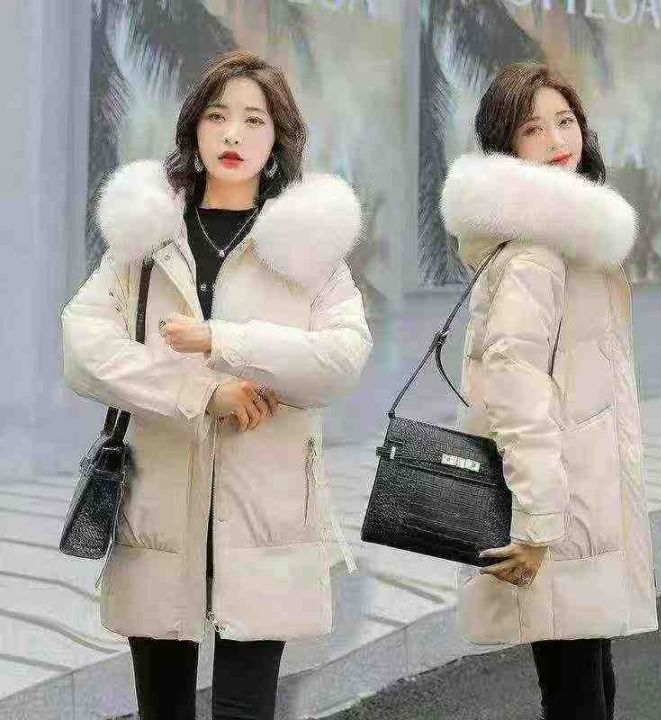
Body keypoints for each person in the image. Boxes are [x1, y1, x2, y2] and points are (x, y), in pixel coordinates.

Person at [61, 50, 372, 720]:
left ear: (278, 138)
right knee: (162, 707)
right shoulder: (148, 241)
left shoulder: (306, 247)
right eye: (217, 116)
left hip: (266, 510)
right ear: (194, 130)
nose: (233, 134)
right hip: (159, 505)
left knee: (245, 709)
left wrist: (226, 343)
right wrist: (201, 391)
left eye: (254, 120)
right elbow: (84, 348)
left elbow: (343, 359)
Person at [440, 61, 659, 720]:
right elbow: (513, 388)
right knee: (577, 693)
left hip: (581, 502)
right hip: (558, 507)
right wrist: (537, 522)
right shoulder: (535, 253)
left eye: (565, 121)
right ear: (507, 146)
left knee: (589, 682)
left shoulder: (570, 243)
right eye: (533, 128)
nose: (557, 139)